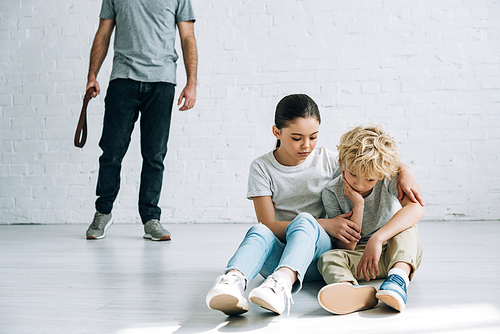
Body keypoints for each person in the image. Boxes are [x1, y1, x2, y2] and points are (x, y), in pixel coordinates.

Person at [205, 94, 423, 316]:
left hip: (318, 255)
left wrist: (405, 170)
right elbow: (269, 224)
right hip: (279, 255)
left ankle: (282, 284)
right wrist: (324, 224)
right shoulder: (261, 167)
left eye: (313, 137)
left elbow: (368, 161)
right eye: (297, 138)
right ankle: (232, 281)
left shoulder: (328, 160)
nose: (306, 145)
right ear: (277, 132)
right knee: (259, 229)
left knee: (306, 222)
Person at [84, 0, 198, 241]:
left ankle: (150, 219)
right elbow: (103, 32)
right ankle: (103, 212)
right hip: (123, 79)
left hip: (162, 81)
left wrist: (192, 83)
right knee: (111, 152)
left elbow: (188, 37)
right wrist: (92, 76)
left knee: (154, 155)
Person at [317, 124, 424, 315]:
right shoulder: (331, 192)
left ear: (381, 175)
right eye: (353, 174)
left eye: (369, 179)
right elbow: (345, 247)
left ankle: (397, 280)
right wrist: (358, 205)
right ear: (342, 163)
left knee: (408, 227)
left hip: (396, 252)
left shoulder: (387, 179)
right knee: (327, 258)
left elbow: (416, 209)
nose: (359, 184)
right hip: (364, 261)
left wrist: (378, 238)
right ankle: (349, 289)